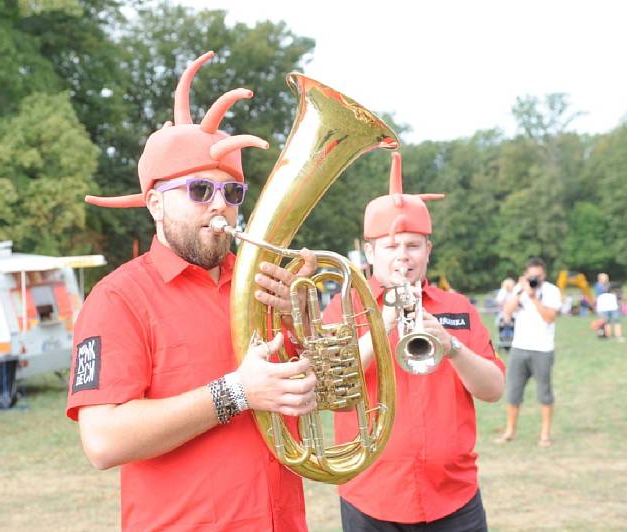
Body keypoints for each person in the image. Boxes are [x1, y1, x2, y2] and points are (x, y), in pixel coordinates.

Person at [65, 51, 317, 531]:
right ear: (156, 203)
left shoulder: (263, 282)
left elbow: (322, 401)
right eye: (200, 191)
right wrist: (236, 391)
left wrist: (304, 324)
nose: (220, 208)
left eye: (232, 193)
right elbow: (104, 441)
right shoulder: (117, 298)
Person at [323, 152, 505, 531]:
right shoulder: (346, 306)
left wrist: (452, 346)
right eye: (391, 247)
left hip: (454, 497)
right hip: (370, 496)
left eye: (412, 245)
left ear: (428, 251)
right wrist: (384, 322)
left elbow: (493, 389)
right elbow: (331, 386)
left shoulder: (457, 308)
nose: (402, 257)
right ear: (370, 253)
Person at [497, 257, 562, 447]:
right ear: (526, 275)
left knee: (544, 392)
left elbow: (549, 318)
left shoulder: (551, 291)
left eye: (539, 276)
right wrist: (519, 291)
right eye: (532, 276)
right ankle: (509, 431)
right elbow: (507, 313)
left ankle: (545, 434)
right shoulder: (520, 289)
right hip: (519, 347)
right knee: (513, 391)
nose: (535, 279)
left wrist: (533, 297)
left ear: (544, 275)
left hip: (542, 348)